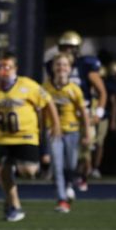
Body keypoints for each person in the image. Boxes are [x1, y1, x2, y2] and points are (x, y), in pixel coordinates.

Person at [0, 51, 60, 223]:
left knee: (29, 171)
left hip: (25, 135)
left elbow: (48, 101)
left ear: (15, 68)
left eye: (8, 66)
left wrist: (55, 124)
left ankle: (15, 170)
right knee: (2, 171)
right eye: (1, 66)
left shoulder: (28, 85)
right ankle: (14, 206)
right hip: (2, 137)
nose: (4, 69)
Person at [46, 31, 106, 191]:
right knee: (66, 152)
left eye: (71, 47)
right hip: (62, 113)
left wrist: (98, 112)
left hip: (84, 110)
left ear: (77, 48)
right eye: (64, 47)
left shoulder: (85, 64)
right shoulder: (55, 65)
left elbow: (102, 91)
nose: (67, 50)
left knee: (85, 152)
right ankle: (67, 179)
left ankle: (81, 177)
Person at [42, 52, 90, 213]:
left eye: (64, 65)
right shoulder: (46, 87)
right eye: (58, 64)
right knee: (57, 165)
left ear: (69, 69)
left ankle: (69, 184)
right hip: (54, 132)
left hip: (72, 131)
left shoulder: (74, 89)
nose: (61, 67)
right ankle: (62, 199)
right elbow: (41, 110)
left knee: (71, 164)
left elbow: (83, 112)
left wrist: (87, 133)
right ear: (53, 68)